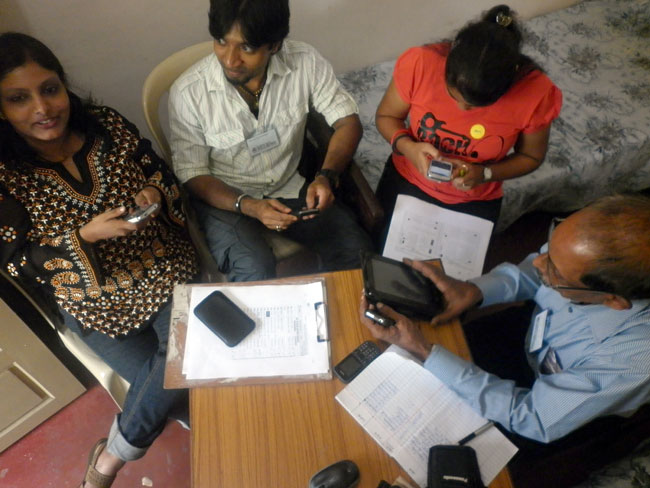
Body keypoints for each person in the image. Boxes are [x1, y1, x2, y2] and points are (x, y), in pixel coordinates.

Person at [0, 33, 197, 488]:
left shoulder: (105, 124)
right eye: (18, 99)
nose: (43, 109)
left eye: (50, 89)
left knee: (179, 367)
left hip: (161, 267)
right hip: (92, 303)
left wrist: (151, 192)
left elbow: (157, 171)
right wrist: (84, 236)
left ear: (64, 85)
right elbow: (15, 265)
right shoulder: (7, 177)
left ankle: (108, 461)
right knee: (182, 397)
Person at [360, 193, 650, 445]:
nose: (538, 261)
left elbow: (532, 417)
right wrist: (473, 290)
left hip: (552, 407)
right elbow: (534, 272)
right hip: (530, 330)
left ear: (614, 301)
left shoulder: (634, 359)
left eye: (556, 272)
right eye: (551, 245)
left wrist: (423, 350)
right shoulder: (580, 256)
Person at [168, 0, 372, 282]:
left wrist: (326, 176)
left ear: (274, 45)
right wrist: (248, 205)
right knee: (253, 270)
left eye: (247, 48)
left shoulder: (305, 62)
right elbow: (192, 173)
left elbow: (347, 122)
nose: (230, 59)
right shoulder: (188, 93)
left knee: (354, 251)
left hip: (289, 184)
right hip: (227, 198)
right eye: (221, 41)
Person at [374, 4, 562, 234]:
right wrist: (409, 148)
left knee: (449, 270)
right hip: (407, 180)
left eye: (475, 105)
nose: (462, 110)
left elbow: (531, 156)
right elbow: (386, 116)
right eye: (453, 96)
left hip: (475, 197)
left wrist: (485, 174)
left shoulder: (537, 94)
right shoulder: (420, 63)